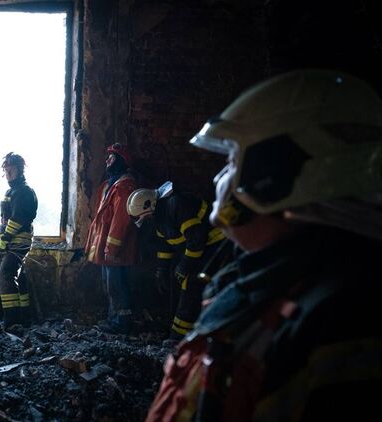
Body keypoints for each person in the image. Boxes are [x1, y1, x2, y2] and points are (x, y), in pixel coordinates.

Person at [146, 69, 382, 421]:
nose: (219, 178)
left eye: (233, 161)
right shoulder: (272, 274)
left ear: (275, 174)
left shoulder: (344, 322)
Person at [127, 181, 228, 343]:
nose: (147, 221)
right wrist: (162, 270)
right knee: (175, 280)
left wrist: (185, 265)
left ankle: (179, 337)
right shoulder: (159, 215)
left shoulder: (177, 205)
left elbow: (197, 238)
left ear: (149, 206)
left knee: (190, 283)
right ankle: (172, 326)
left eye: (145, 218)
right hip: (197, 248)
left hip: (216, 245)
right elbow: (165, 245)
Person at [85, 143, 143, 334]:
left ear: (121, 161)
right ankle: (113, 319)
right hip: (107, 246)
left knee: (116, 285)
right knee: (111, 284)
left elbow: (121, 220)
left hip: (116, 248)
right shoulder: (112, 184)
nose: (107, 161)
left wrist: (112, 247)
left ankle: (121, 323)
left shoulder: (124, 186)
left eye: (112, 157)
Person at [0, 152, 38, 329]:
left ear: (20, 170)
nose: (8, 174)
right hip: (13, 240)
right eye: (6, 170)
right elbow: (6, 218)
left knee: (6, 274)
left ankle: (12, 320)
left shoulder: (24, 191)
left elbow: (18, 218)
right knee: (19, 277)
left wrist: (5, 239)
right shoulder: (11, 191)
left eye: (11, 170)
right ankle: (25, 317)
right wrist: (1, 234)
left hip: (19, 241)